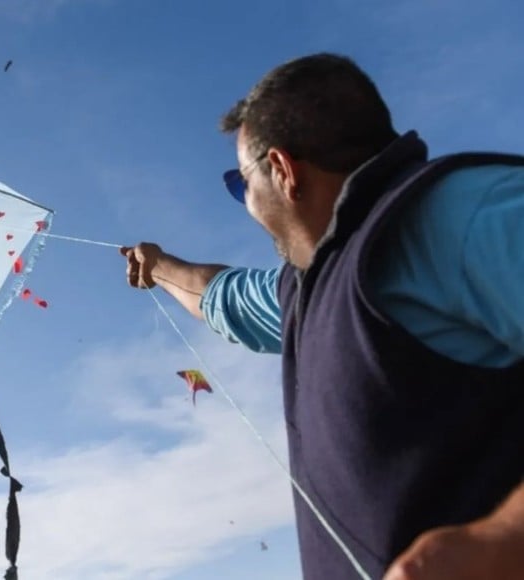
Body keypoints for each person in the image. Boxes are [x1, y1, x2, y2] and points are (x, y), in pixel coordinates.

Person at [120, 53, 524, 580]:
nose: (245, 202)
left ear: (284, 171)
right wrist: (159, 267)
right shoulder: (306, 289)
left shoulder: (466, 212)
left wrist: (502, 538)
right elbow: (223, 297)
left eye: (240, 184)